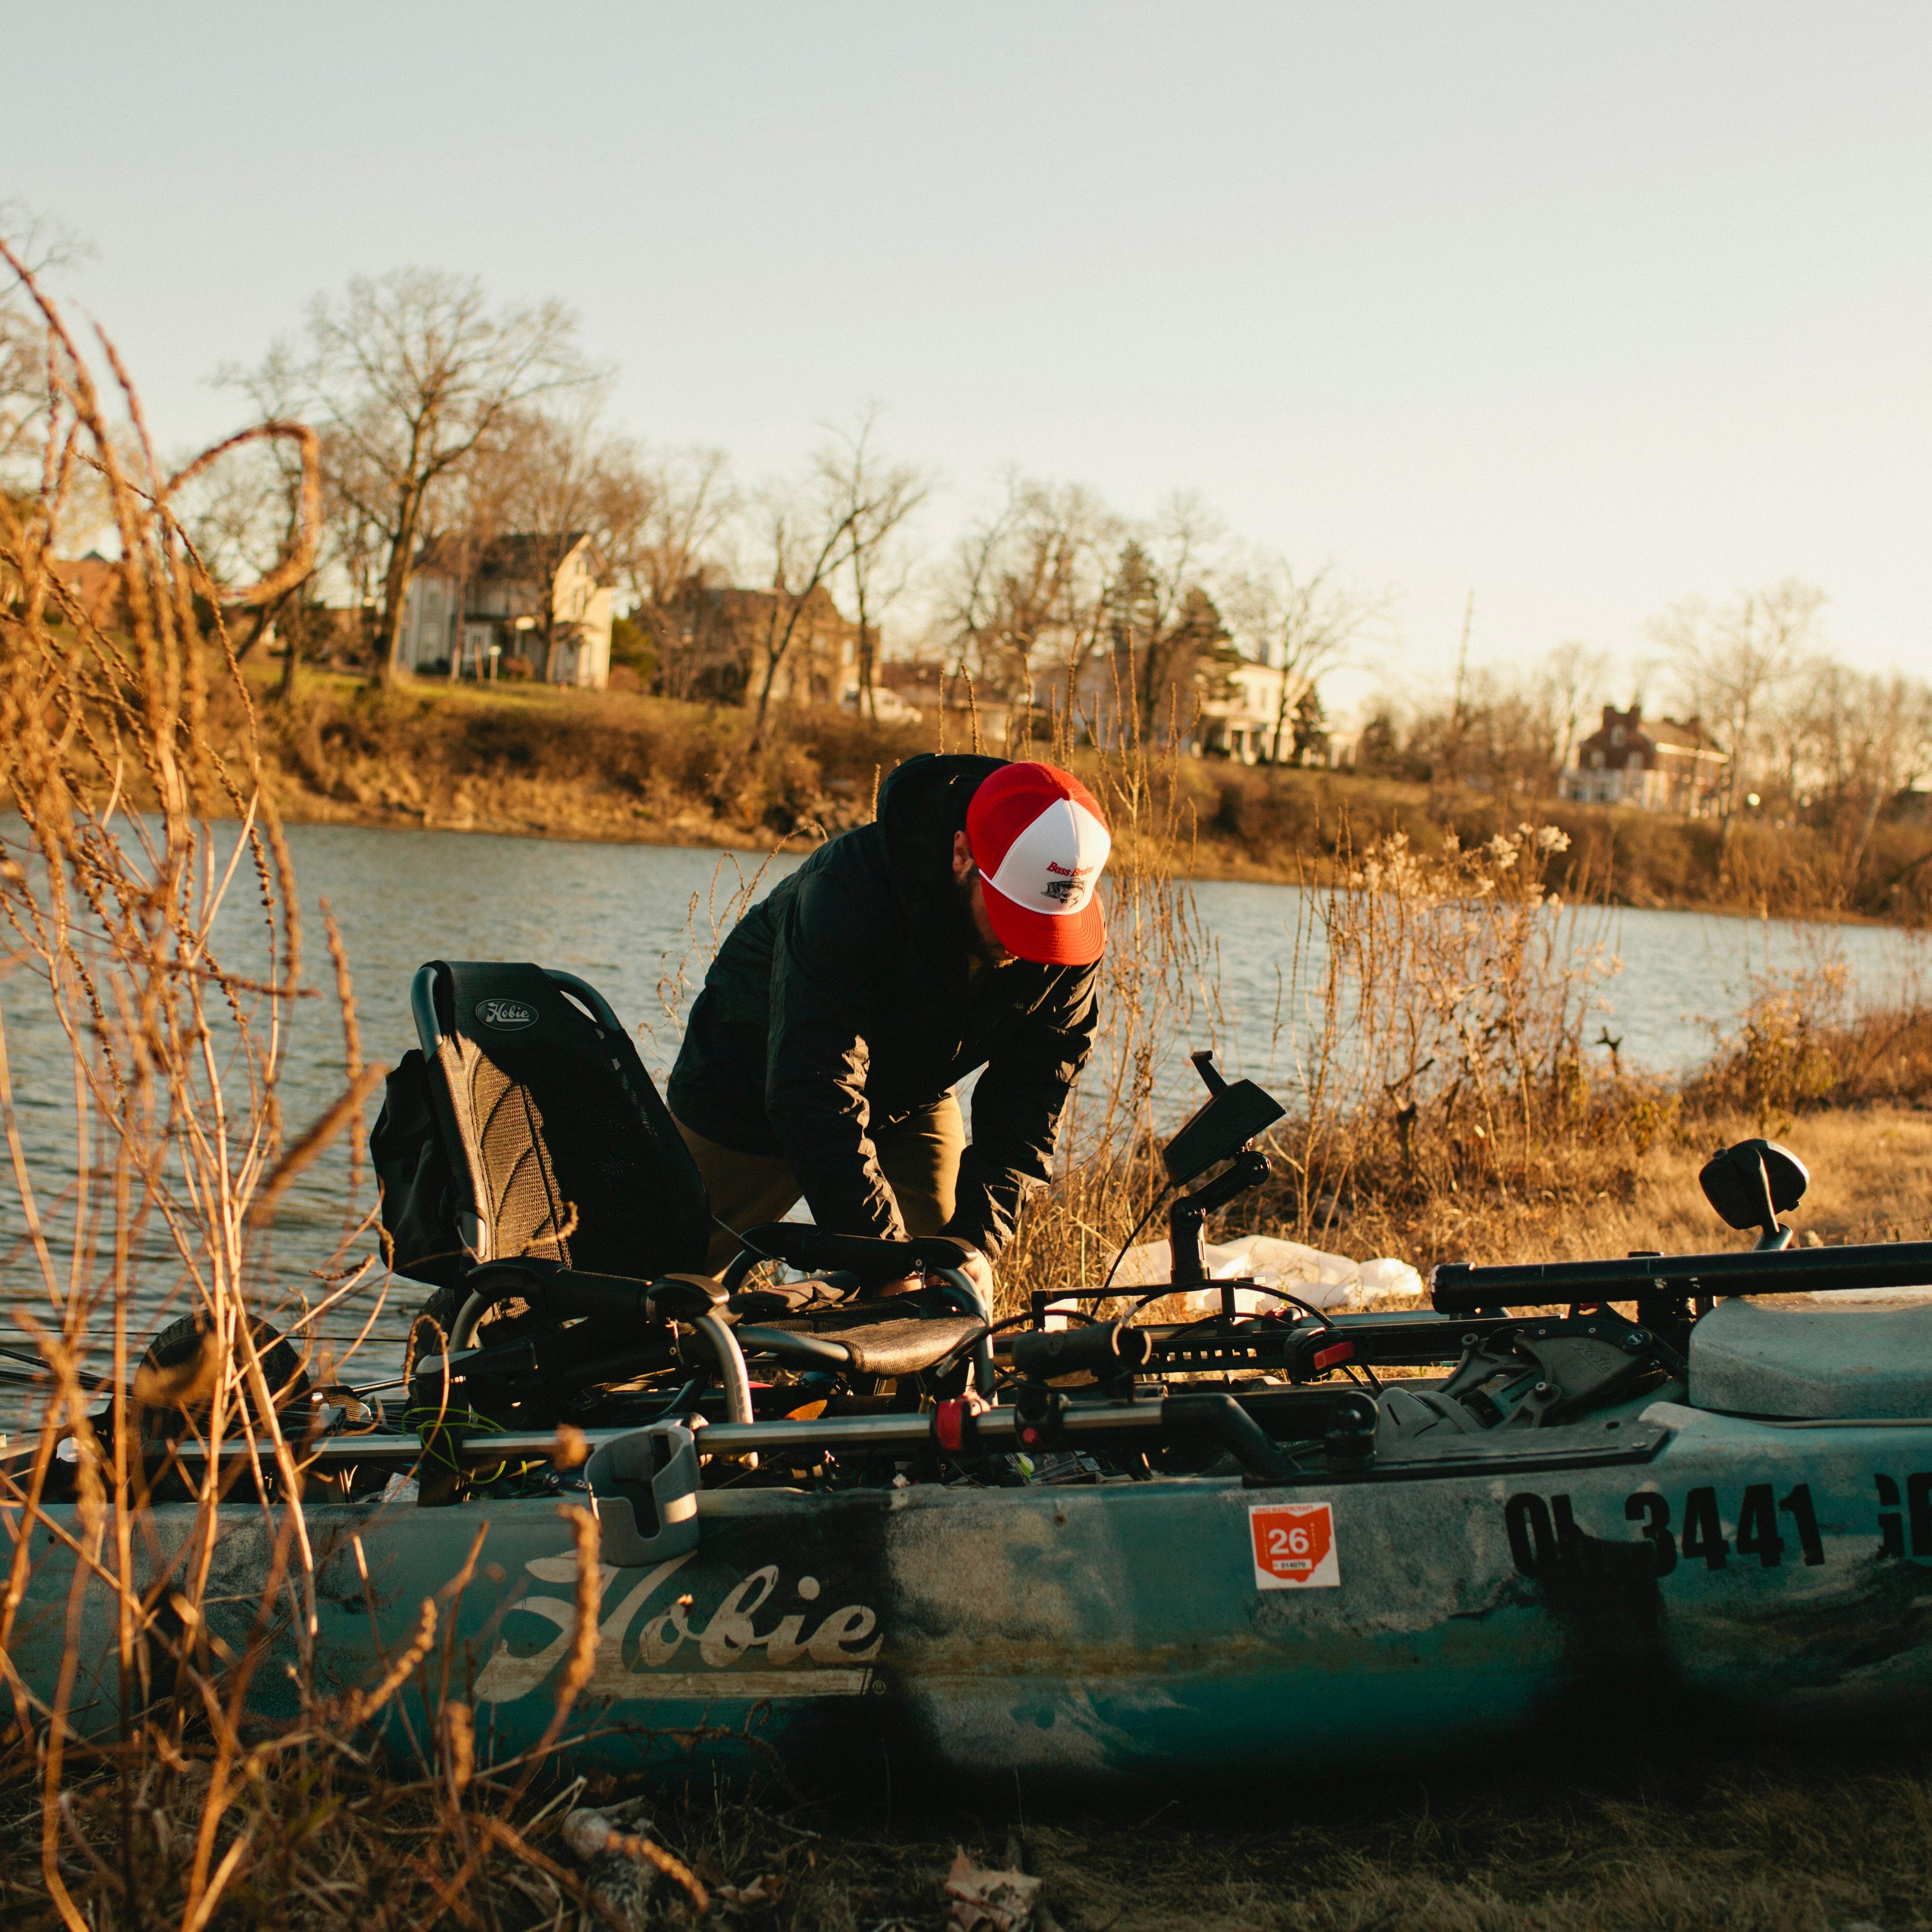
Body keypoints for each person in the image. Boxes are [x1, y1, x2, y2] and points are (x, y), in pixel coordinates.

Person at [667, 752, 1110, 1298]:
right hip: (745, 1085)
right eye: (1013, 916)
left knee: (946, 1277)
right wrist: (883, 1258)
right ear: (962, 856)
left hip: (910, 1095)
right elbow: (814, 1085)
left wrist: (976, 1244)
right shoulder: (851, 888)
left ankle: (885, 1378)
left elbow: (1030, 1104)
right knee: (666, 1293)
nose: (1028, 947)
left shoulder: (1067, 936)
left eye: (1047, 929)